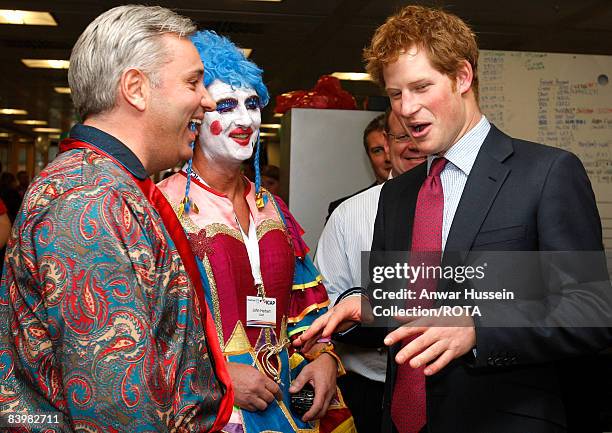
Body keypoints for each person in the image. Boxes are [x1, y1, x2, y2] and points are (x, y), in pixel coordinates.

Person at [295, 5, 611, 433]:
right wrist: (371, 305)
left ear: (462, 77)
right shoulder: (397, 195)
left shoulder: (546, 173)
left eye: (421, 87)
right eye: (395, 94)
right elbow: (417, 305)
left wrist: (479, 326)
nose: (407, 108)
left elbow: (590, 309)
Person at [0, 5, 233, 431]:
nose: (208, 99)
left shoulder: (111, 185)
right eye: (192, 82)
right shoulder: (90, 199)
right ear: (136, 89)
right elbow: (115, 406)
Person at [157, 31, 355, 433]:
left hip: (287, 405)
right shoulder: (162, 209)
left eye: (252, 104)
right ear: (197, 117)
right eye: (226, 105)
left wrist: (322, 355)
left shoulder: (273, 208)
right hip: (209, 411)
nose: (244, 120)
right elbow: (145, 326)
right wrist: (220, 373)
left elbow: (305, 302)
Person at [315, 110, 426, 432]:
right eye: (402, 136)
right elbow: (325, 302)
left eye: (419, 132)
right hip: (367, 388)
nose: (412, 145)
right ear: (388, 145)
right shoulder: (350, 214)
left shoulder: (462, 208)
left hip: (446, 388)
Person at [326, 113, 391, 221]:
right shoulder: (342, 211)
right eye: (378, 151)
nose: (387, 158)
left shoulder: (424, 199)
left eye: (391, 147)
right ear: (368, 157)